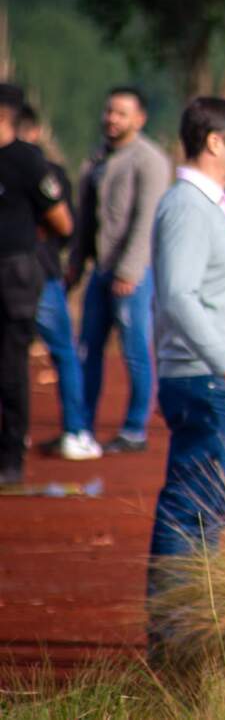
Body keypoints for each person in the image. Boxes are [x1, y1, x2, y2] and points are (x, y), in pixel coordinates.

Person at [147, 97, 225, 609]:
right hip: (208, 380)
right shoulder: (187, 207)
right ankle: (177, 631)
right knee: (194, 508)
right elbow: (178, 295)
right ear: (214, 143)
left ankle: (194, 621)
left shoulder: (205, 204)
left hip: (212, 379)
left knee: (210, 508)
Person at [67, 86, 171, 454]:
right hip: (100, 269)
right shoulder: (96, 160)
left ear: (139, 119)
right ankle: (81, 428)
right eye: (109, 111)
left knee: (134, 350)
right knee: (87, 347)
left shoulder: (150, 160)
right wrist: (76, 265)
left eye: (121, 113)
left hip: (134, 275)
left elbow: (147, 221)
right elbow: (84, 222)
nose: (112, 119)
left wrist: (129, 270)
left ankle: (134, 428)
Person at [0, 84, 74, 485]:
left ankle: (11, 460)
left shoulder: (27, 162)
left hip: (14, 274)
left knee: (12, 367)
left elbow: (63, 221)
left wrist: (27, 241)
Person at [16, 105, 99, 460]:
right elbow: (68, 229)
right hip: (39, 273)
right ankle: (75, 431)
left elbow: (67, 225)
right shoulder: (47, 169)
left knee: (56, 352)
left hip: (39, 274)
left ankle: (74, 430)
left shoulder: (43, 171)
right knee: (57, 352)